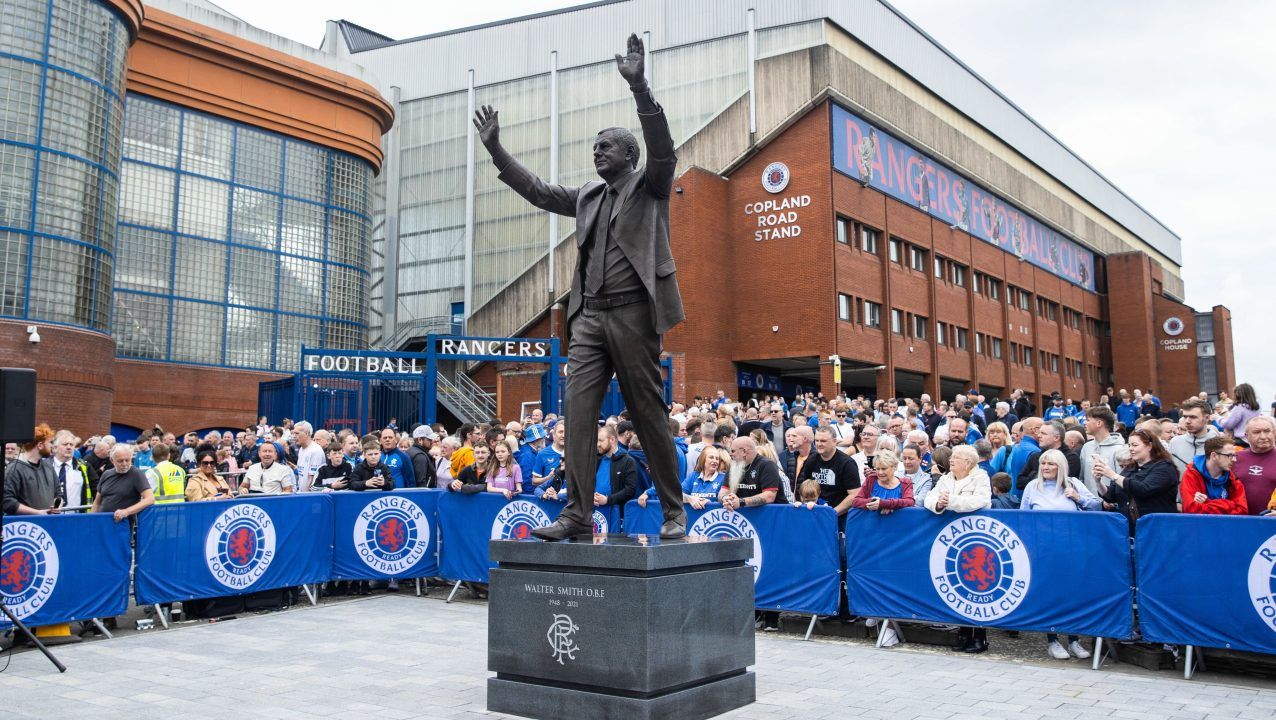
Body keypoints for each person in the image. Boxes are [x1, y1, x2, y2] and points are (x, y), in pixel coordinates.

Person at [476, 35, 687, 540]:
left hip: (635, 314)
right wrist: (497, 150)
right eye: (594, 147)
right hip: (588, 318)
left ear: (628, 155)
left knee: (646, 411)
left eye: (606, 146)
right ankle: (575, 514)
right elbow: (539, 191)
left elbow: (662, 148)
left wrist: (639, 88)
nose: (596, 152)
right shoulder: (590, 194)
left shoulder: (650, 183)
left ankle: (674, 511)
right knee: (578, 415)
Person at [924, 444, 992, 654]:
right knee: (959, 583)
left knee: (978, 585)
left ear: (968, 462)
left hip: (977, 537)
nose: (951, 460)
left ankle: (980, 636)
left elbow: (980, 501)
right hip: (952, 538)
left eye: (956, 458)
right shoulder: (945, 479)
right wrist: (939, 505)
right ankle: (963, 633)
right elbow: (929, 498)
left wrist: (950, 501)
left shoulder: (980, 477)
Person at [1091, 428, 1180, 520]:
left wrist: (1113, 475)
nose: (1130, 449)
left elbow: (1143, 489)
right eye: (1129, 445)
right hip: (1130, 528)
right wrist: (1098, 481)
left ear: (1149, 446)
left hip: (1157, 526)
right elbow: (1111, 496)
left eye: (1135, 445)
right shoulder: (1130, 468)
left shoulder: (1164, 467)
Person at [796, 426, 862, 524]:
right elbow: (805, 488)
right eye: (817, 440)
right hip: (815, 515)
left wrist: (832, 513)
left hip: (839, 517)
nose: (819, 444)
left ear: (834, 441)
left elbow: (854, 494)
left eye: (823, 441)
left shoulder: (847, 463)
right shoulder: (811, 460)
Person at [638, 445, 726, 511]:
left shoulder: (723, 478)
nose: (715, 461)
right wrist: (690, 499)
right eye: (711, 457)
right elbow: (677, 494)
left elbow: (725, 499)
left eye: (717, 459)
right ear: (703, 459)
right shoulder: (694, 476)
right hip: (693, 524)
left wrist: (709, 503)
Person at [2, 424, 61, 515]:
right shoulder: (14, 468)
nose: (52, 446)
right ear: (40, 445)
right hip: (25, 525)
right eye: (50, 442)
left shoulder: (48, 466)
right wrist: (37, 513)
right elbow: (7, 501)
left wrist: (58, 504)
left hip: (48, 524)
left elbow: (58, 492)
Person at [1181, 435, 1247, 515]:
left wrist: (1207, 502)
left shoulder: (1232, 478)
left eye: (1234, 455)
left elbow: (1242, 511)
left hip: (1225, 526)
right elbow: (1191, 510)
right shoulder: (1191, 474)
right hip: (1199, 526)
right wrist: (1229, 504)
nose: (1234, 460)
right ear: (1214, 456)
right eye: (1229, 455)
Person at [92, 444, 156, 523]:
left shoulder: (136, 473)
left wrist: (126, 512)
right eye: (120, 461)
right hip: (102, 522)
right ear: (112, 460)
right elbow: (97, 502)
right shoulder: (106, 474)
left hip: (123, 525)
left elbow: (150, 499)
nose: (125, 464)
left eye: (127, 460)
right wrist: (93, 521)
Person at [851, 449, 915, 516]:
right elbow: (855, 501)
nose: (880, 472)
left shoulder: (905, 483)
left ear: (895, 467)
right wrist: (873, 502)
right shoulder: (871, 479)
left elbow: (910, 502)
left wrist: (885, 504)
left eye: (884, 468)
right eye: (877, 469)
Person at [591, 425, 638, 513]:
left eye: (601, 440)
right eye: (597, 441)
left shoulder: (628, 461)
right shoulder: (596, 459)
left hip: (617, 515)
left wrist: (608, 500)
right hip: (595, 512)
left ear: (612, 440)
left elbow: (630, 490)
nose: (598, 444)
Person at [1079, 406, 1124, 496]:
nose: (1084, 423)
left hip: (1111, 505)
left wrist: (1113, 500)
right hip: (1089, 504)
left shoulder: (1119, 448)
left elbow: (1121, 479)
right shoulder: (1086, 447)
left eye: (1088, 420)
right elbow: (1082, 478)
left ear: (1099, 423)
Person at [1237, 416, 1276, 515]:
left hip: (1271, 522)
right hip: (1238, 520)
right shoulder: (1234, 458)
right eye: (1257, 432)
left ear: (1274, 433)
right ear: (1246, 436)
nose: (1263, 436)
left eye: (1267, 431)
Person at [1169, 399, 1219, 474]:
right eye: (1185, 417)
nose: (1187, 421)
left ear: (1207, 418)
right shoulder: (1175, 442)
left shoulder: (1220, 444)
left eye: (1193, 417)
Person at [50, 429, 92, 508]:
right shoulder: (44, 466)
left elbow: (96, 489)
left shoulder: (84, 467)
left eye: (71, 445)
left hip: (75, 517)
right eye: (65, 444)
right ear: (55, 447)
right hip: (49, 515)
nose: (69, 447)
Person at [291, 422, 324, 493]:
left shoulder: (315, 450)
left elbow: (312, 478)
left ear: (307, 433)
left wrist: (304, 495)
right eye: (293, 433)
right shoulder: (301, 449)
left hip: (310, 495)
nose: (294, 436)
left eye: (297, 433)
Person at [407, 425, 438, 490]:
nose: (432, 441)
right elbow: (421, 483)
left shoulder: (410, 451)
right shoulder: (420, 457)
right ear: (420, 440)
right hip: (420, 496)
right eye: (429, 439)